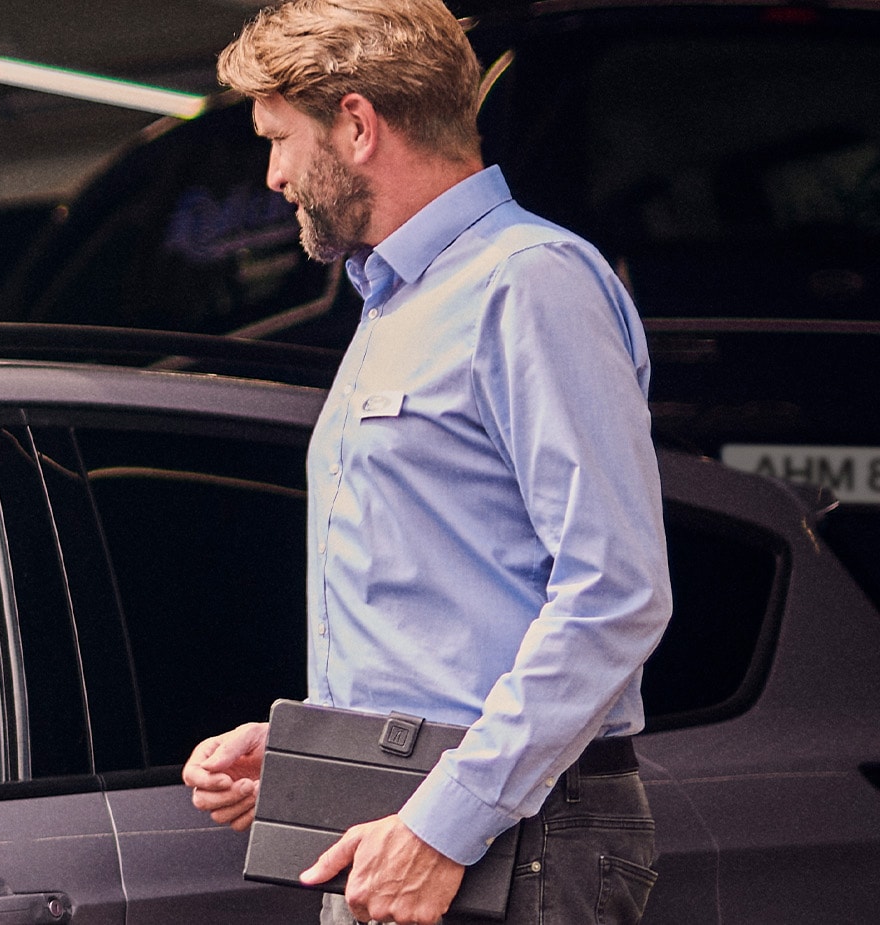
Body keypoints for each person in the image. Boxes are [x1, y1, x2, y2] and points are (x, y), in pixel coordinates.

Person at [181, 1, 674, 923]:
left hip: (515, 836)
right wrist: (312, 757)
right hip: (410, 825)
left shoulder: (529, 283)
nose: (274, 174)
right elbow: (439, 606)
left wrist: (444, 823)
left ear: (358, 125)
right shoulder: (392, 302)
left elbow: (616, 590)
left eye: (279, 139)